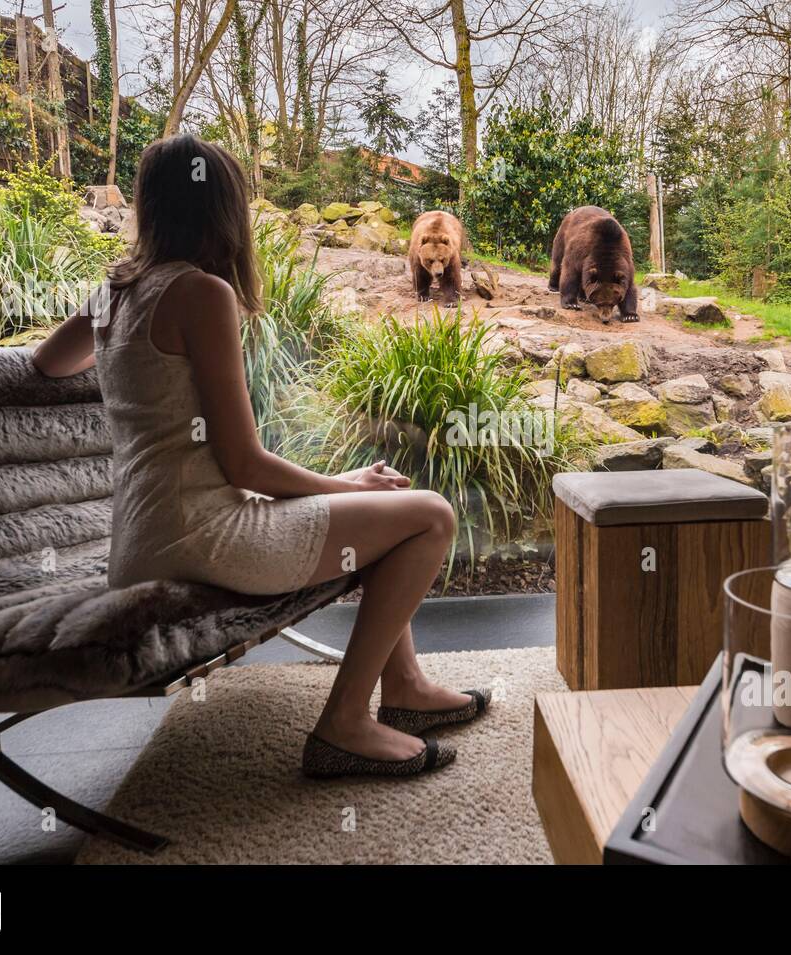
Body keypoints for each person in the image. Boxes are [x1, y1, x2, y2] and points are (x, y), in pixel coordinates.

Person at [32, 135, 487, 777]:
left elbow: (47, 362)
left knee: (383, 518)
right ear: (225, 211)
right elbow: (245, 466)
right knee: (431, 515)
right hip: (204, 536)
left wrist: (124, 358)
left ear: (150, 208)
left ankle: (405, 686)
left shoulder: (115, 291)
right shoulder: (200, 295)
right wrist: (349, 486)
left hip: (138, 541)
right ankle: (345, 726)